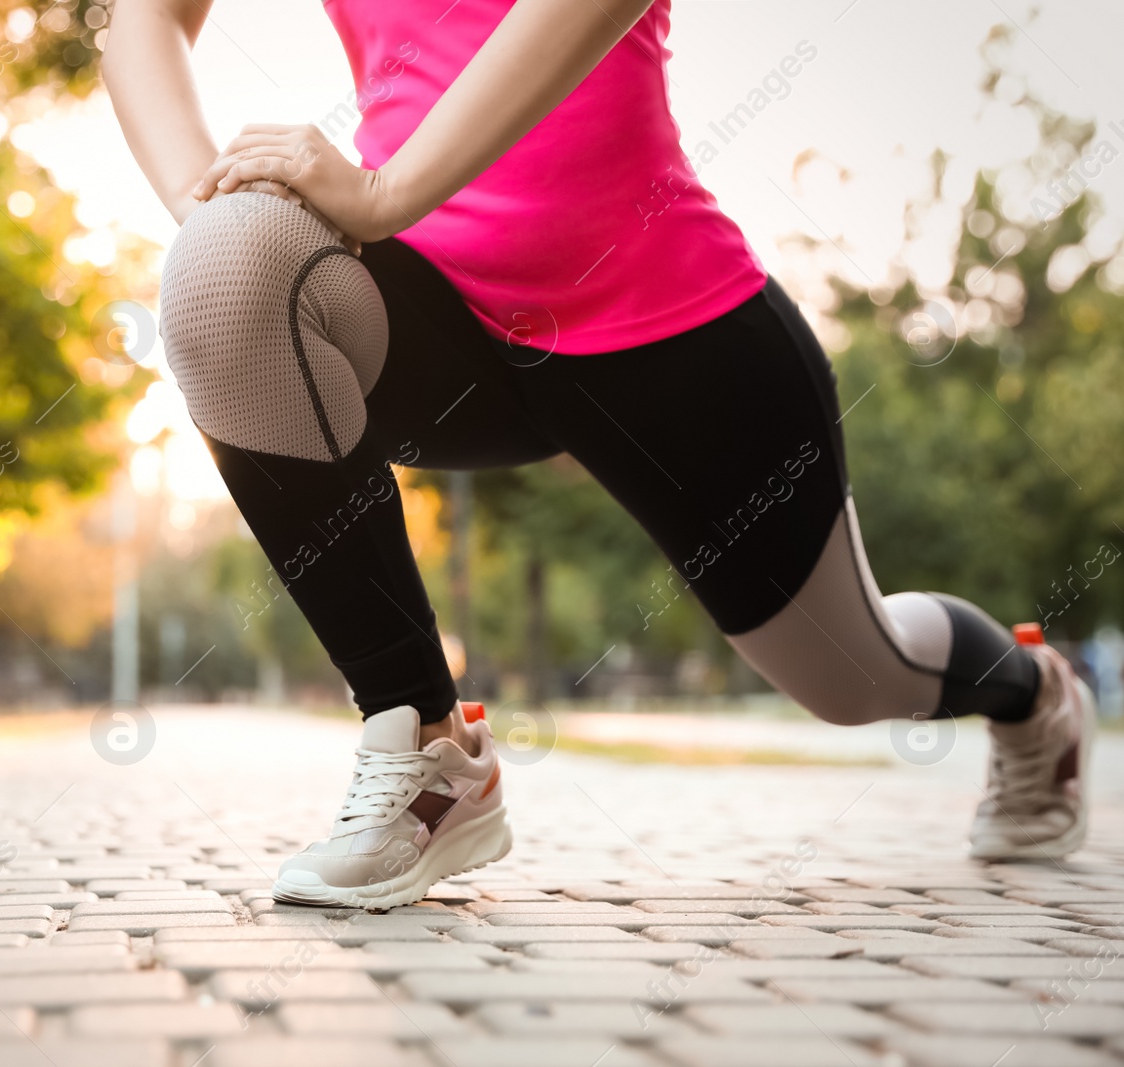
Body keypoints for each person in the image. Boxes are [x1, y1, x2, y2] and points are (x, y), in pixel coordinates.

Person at [104, 0, 1096, 908]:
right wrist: (217, 208)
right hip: (435, 313)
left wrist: (383, 191)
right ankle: (428, 750)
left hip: (665, 321)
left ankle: (1031, 691)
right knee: (229, 268)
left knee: (850, 677)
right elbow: (139, 19)